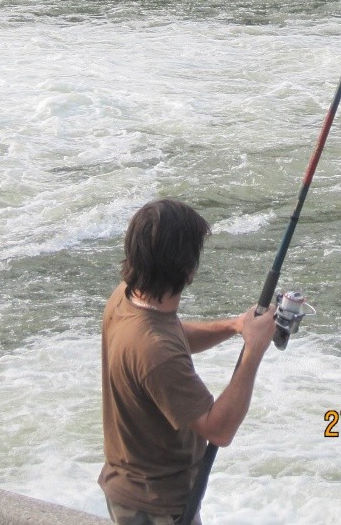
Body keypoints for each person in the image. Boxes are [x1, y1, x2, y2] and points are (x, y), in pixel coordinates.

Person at [98, 198, 276, 525]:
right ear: (188, 268)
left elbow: (172, 335)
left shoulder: (126, 298)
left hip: (135, 490)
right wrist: (254, 349)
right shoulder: (154, 350)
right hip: (154, 507)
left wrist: (235, 326)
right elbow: (219, 430)